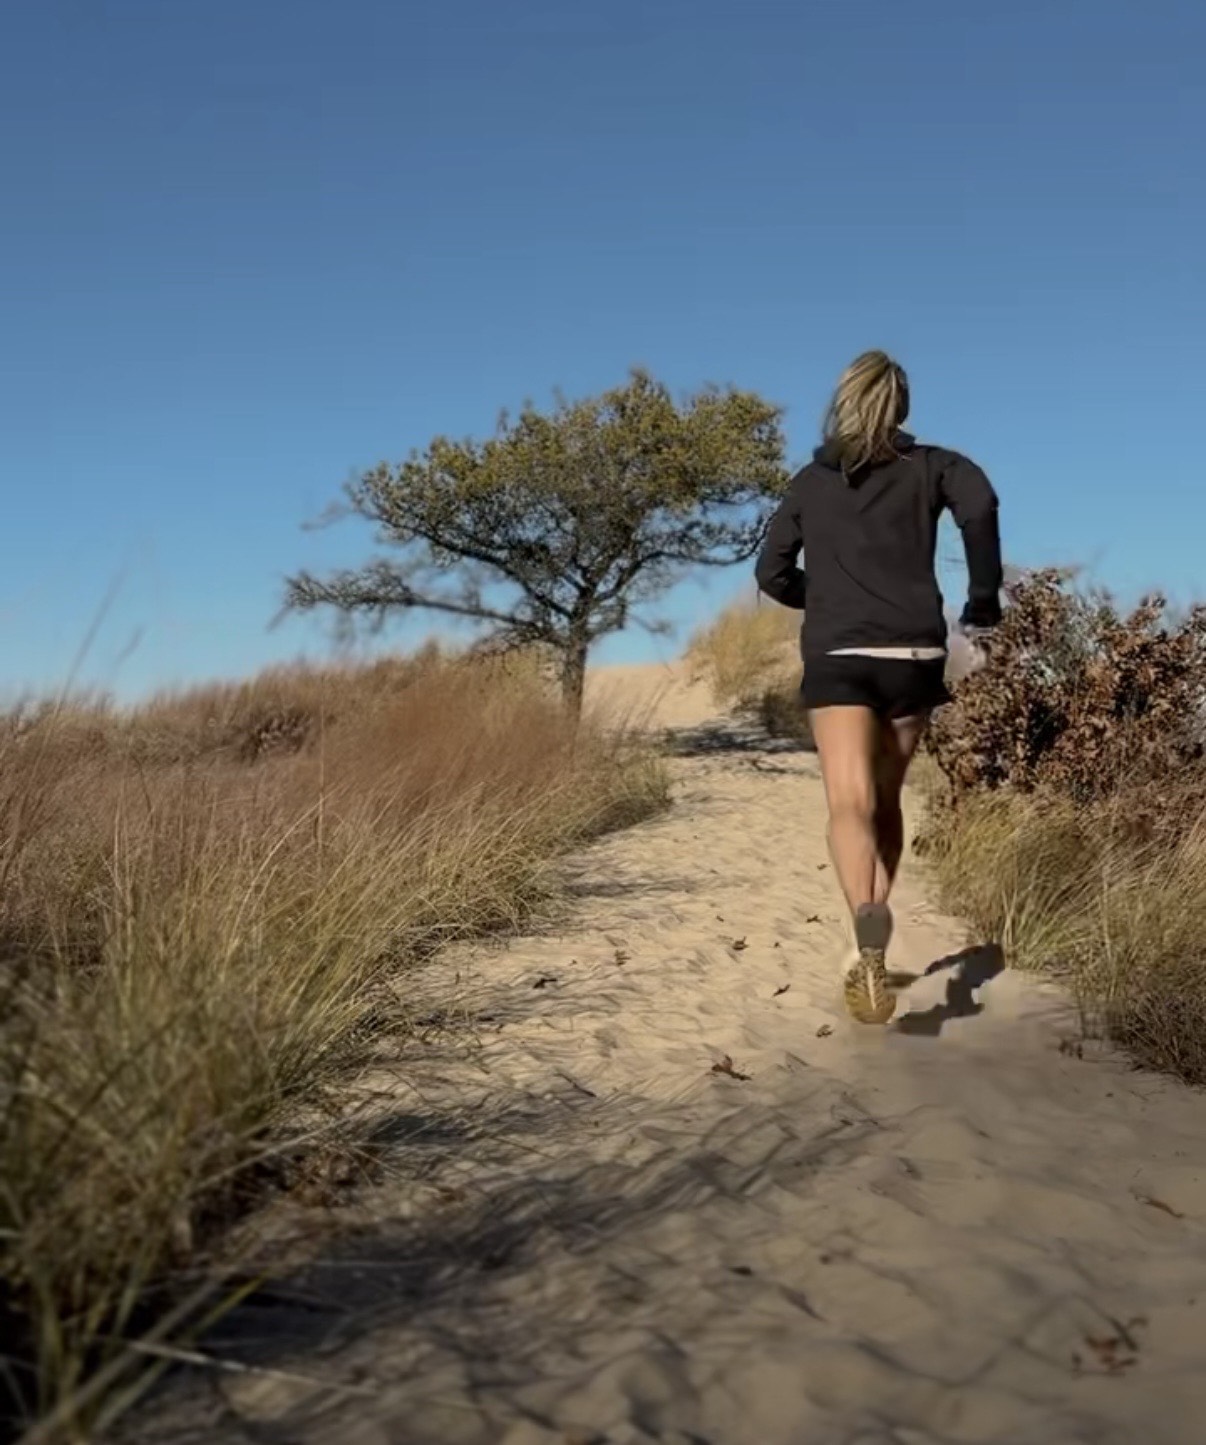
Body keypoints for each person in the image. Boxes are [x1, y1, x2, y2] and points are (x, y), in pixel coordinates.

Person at [755, 351, 1002, 1024]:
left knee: (848, 801)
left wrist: (824, 596)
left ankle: (863, 931)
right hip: (915, 651)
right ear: (902, 407)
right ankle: (875, 916)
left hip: (840, 653)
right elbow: (979, 503)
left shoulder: (811, 481)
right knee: (887, 797)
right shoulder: (935, 466)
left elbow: (771, 571)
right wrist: (983, 596)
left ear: (844, 401)